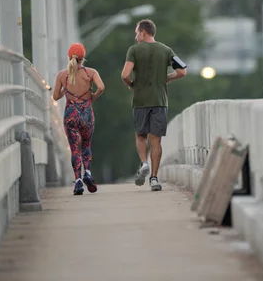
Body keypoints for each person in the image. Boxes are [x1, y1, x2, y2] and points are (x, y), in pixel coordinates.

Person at [121, 19, 187, 191]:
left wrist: (131, 84)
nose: (136, 37)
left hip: (140, 101)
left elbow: (125, 75)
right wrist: (167, 78)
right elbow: (182, 71)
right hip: (159, 101)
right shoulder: (166, 50)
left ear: (143, 32)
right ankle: (154, 179)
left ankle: (144, 163)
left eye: (137, 33)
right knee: (156, 141)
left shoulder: (134, 50)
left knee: (141, 136)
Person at [53, 43, 105, 195]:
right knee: (86, 145)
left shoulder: (63, 75)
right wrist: (93, 97)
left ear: (69, 57)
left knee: (75, 149)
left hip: (71, 114)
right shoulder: (91, 72)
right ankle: (87, 173)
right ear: (83, 57)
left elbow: (55, 96)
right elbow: (101, 87)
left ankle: (78, 182)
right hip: (87, 113)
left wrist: (65, 89)